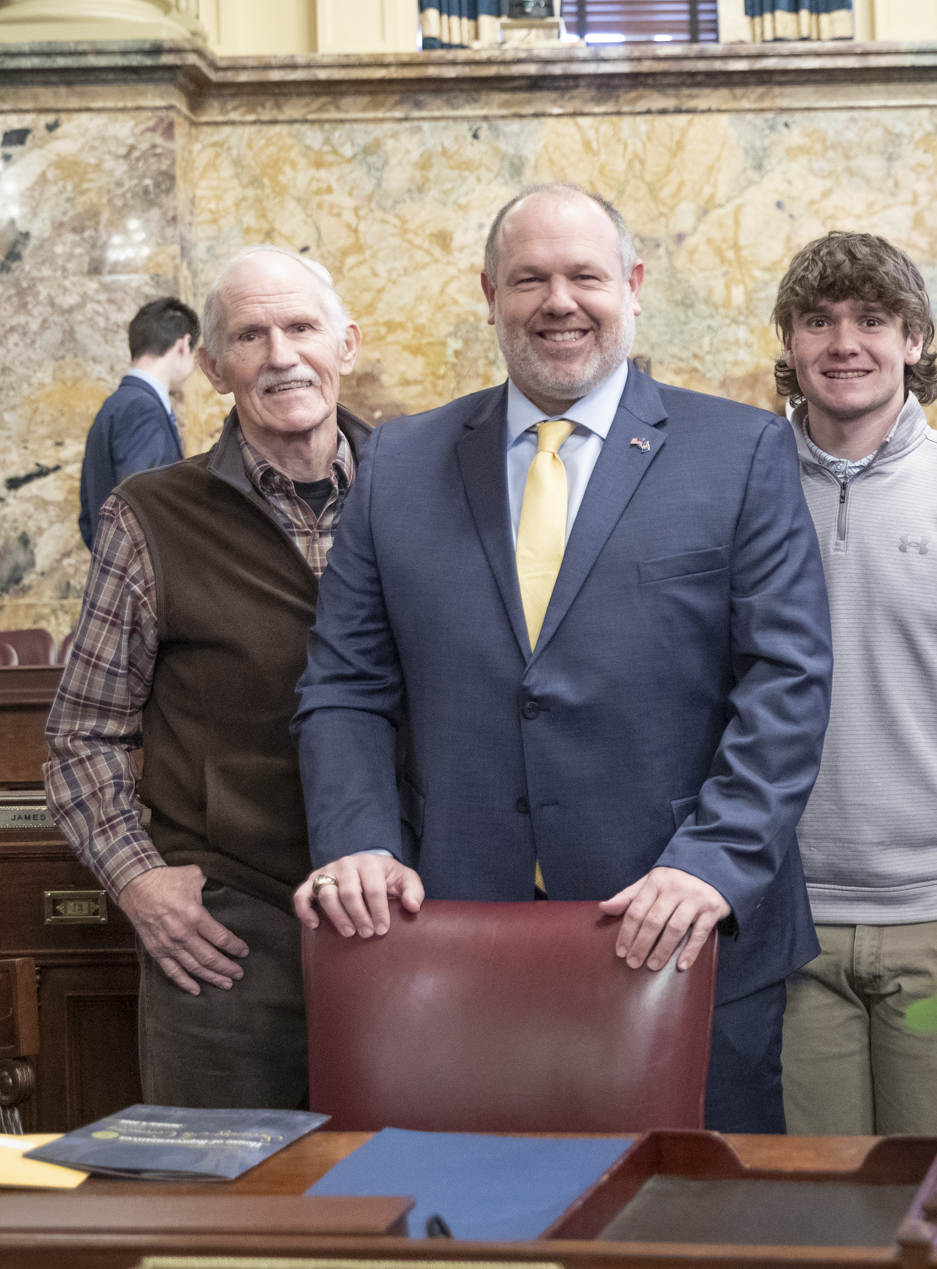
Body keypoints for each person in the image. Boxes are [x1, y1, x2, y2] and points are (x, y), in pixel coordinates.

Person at [292, 183, 833, 1133]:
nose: (558, 302)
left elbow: (785, 683)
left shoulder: (740, 450)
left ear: (630, 285)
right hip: (454, 933)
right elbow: (343, 686)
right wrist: (358, 839)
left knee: (699, 1233)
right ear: (490, 294)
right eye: (529, 279)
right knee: (478, 1236)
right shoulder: (401, 463)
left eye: (584, 275)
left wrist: (714, 862)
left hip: (680, 921)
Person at [45, 247, 368, 1107]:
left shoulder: (426, 485)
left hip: (407, 912)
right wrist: (138, 880)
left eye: (301, 327)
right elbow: (82, 734)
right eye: (250, 336)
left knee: (411, 1204)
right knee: (226, 1212)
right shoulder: (152, 515)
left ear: (347, 344)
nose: (281, 355)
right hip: (231, 932)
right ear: (214, 367)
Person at [771, 232, 937, 1139]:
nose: (844, 342)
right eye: (819, 321)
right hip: (788, 918)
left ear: (915, 340)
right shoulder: (743, 488)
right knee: (816, 1218)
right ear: (790, 342)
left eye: (872, 320)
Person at [78, 297, 199, 550]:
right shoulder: (142, 409)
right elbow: (145, 510)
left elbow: (89, 519)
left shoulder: (115, 405)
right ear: (184, 345)